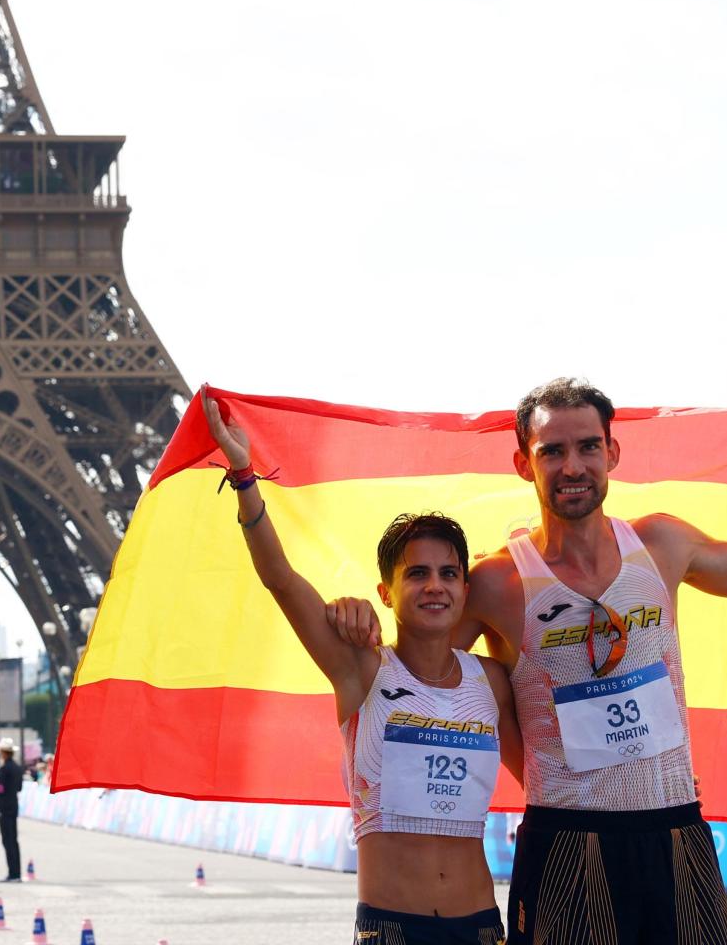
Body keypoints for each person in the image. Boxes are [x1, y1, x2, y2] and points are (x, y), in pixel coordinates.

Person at [329, 376, 727, 945]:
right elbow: (420, 668)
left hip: (674, 831)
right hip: (567, 842)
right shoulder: (497, 581)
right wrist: (354, 621)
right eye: (553, 451)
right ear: (524, 463)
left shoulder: (662, 546)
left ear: (612, 453)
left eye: (588, 446)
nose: (573, 466)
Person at [207, 392, 521, 943]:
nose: (434, 586)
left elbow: (552, 756)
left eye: (448, 574)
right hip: (391, 928)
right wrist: (243, 474)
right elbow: (280, 577)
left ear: (465, 589)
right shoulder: (361, 671)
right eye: (416, 573)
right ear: (387, 591)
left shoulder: (491, 681)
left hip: (480, 927)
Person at [0, 739, 24, 882]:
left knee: (7, 840)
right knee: (14, 840)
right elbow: (19, 788)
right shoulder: (18, 768)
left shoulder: (4, 769)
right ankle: (16, 872)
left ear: (4, 753)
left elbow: (1, 787)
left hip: (4, 806)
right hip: (14, 805)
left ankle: (12, 873)